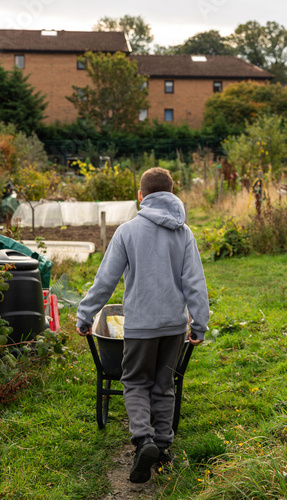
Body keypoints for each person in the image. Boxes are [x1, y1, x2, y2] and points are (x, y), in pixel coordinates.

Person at [76, 167, 209, 483]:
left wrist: (85, 315)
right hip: (175, 327)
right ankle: (162, 448)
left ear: (141, 196)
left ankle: (143, 440)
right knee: (163, 385)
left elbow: (105, 280)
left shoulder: (127, 231)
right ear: (172, 194)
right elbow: (195, 283)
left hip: (139, 326)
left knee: (135, 381)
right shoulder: (184, 232)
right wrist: (199, 324)